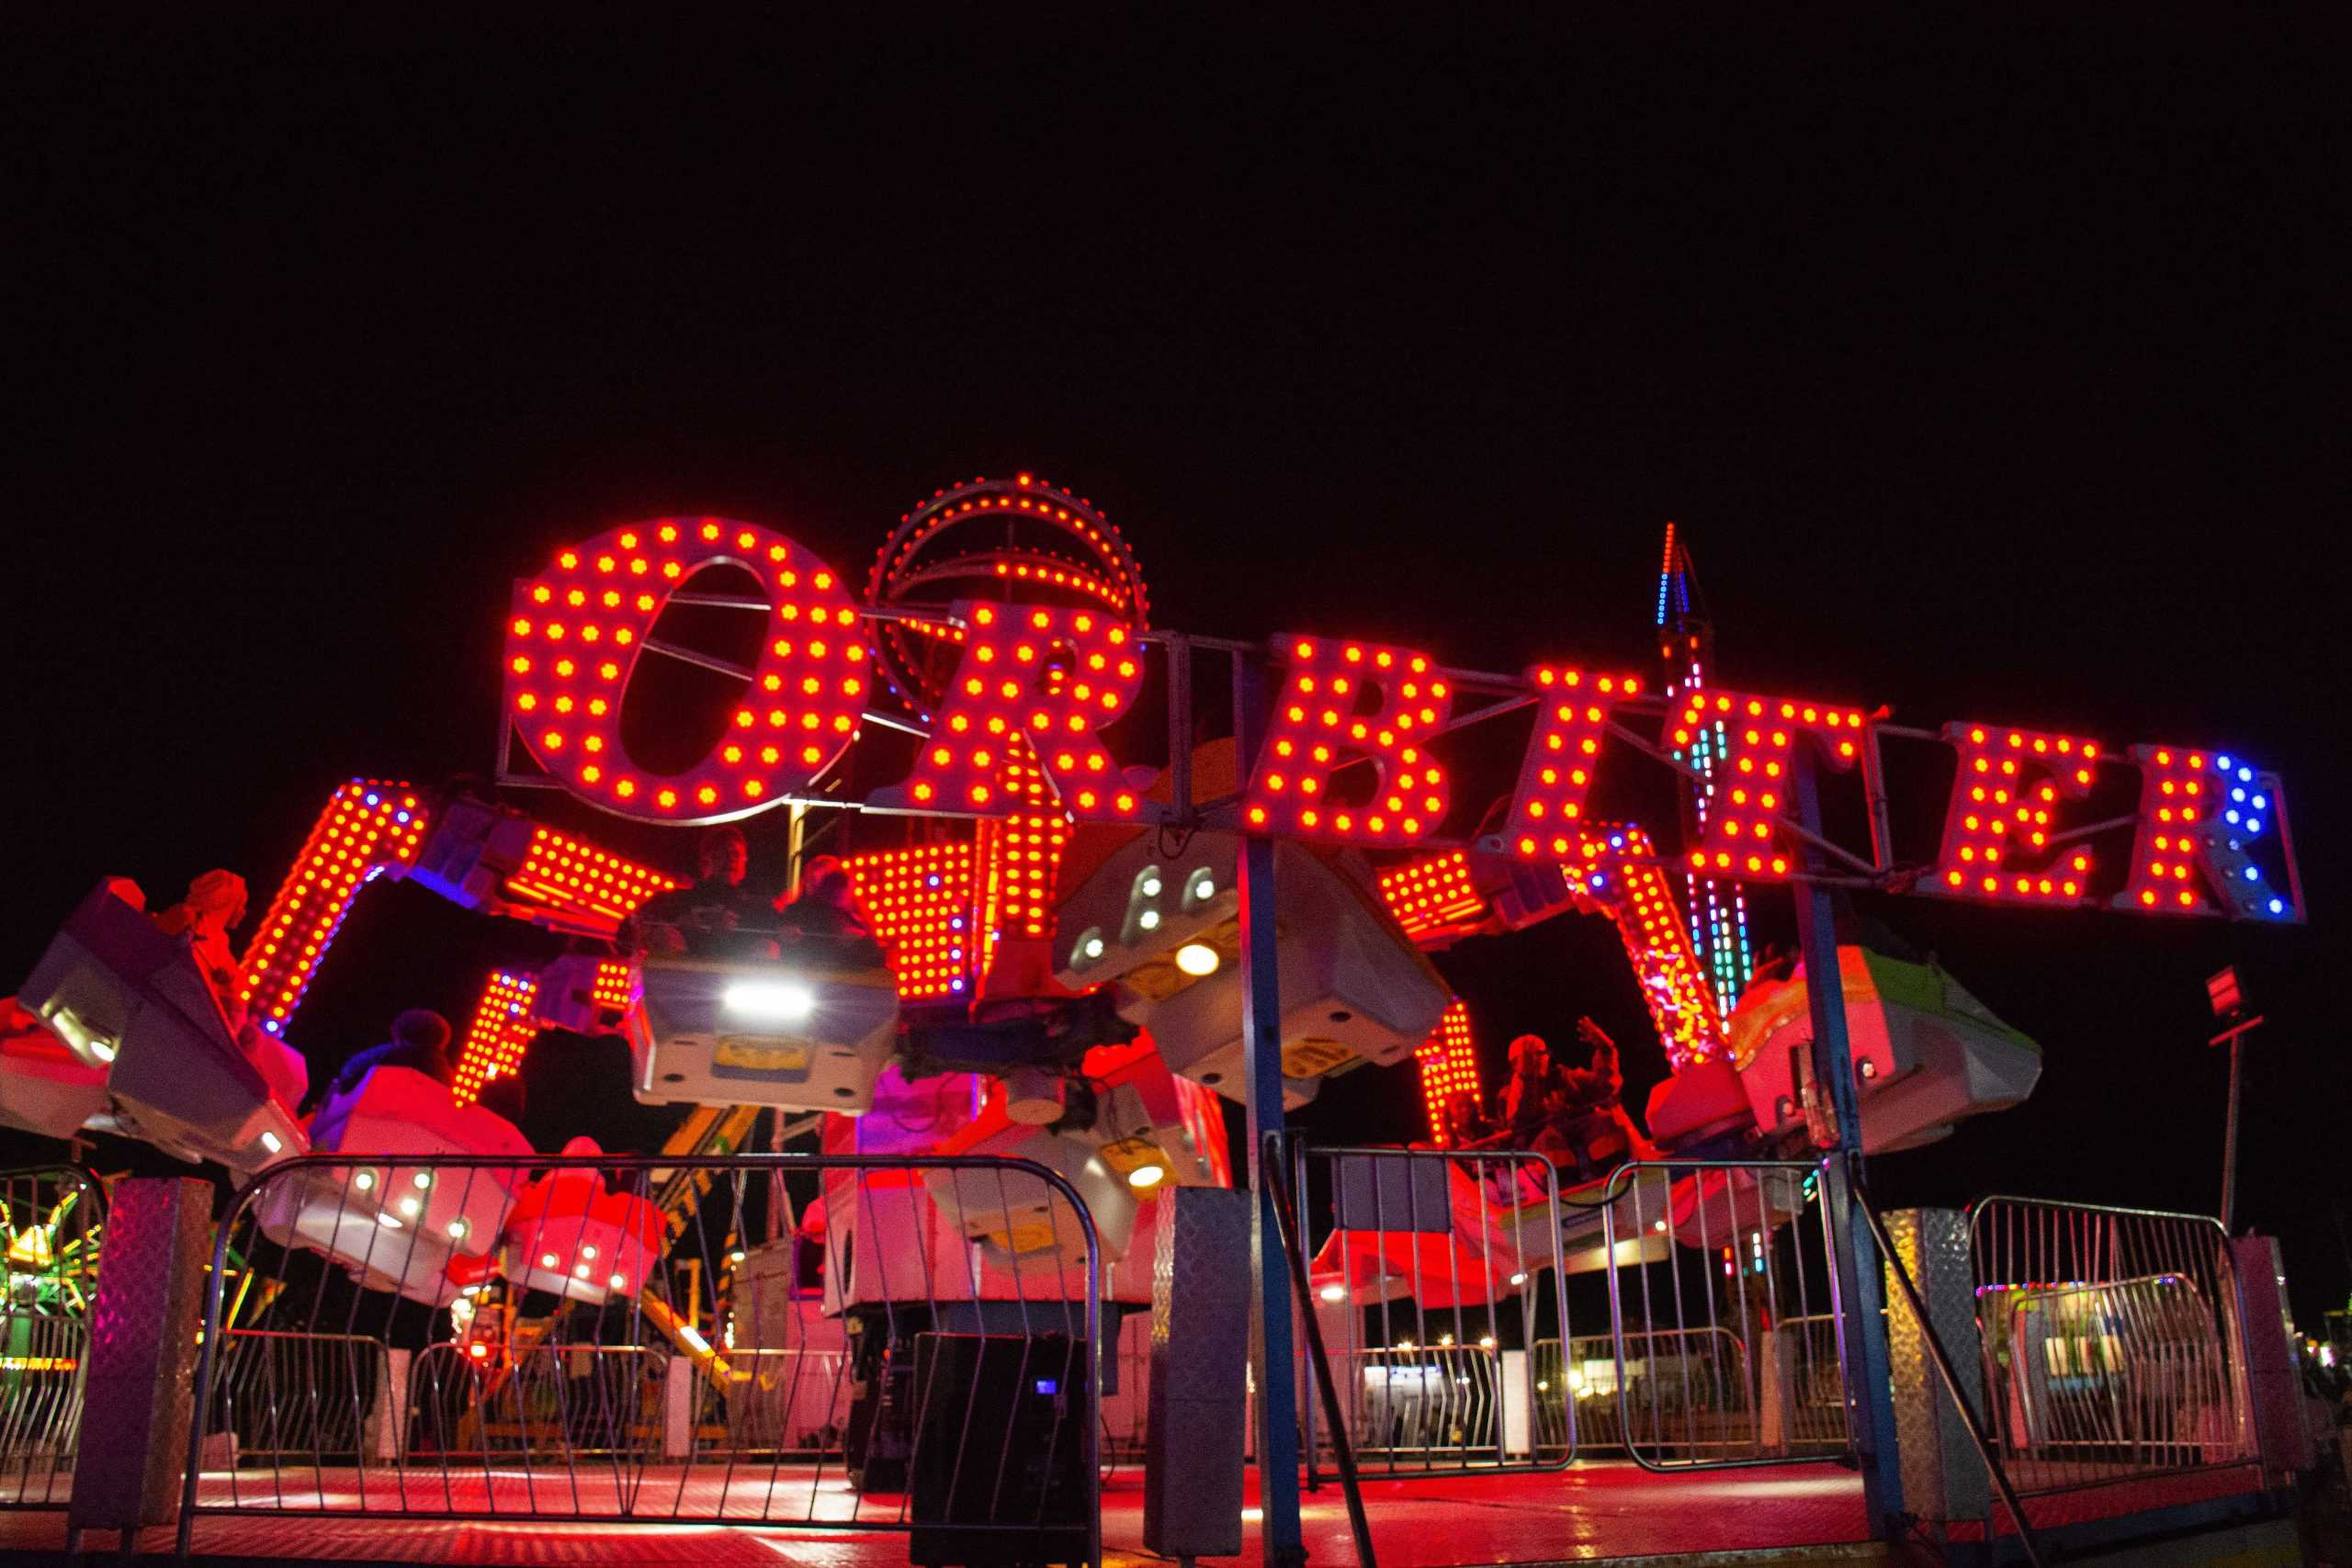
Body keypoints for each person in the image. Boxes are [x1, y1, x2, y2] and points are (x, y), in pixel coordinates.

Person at [619, 825, 775, 957]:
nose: (730, 859)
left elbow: (783, 935)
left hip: (741, 980)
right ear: (706, 861)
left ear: (744, 862)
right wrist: (661, 929)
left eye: (736, 854)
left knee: (768, 947)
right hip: (682, 979)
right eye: (722, 854)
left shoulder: (756, 906)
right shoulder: (677, 900)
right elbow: (628, 929)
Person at [152, 870, 250, 1028]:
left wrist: (229, 979)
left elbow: (237, 986)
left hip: (189, 1018)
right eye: (241, 905)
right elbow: (151, 945)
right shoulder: (186, 916)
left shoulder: (221, 942)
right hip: (161, 1000)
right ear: (228, 900)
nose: (243, 912)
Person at [323, 1009, 457, 1101]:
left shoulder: (378, 1057)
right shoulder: (448, 1079)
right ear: (442, 1040)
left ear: (400, 1032)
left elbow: (345, 1080)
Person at [774, 854, 884, 963]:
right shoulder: (803, 913)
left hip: (851, 973)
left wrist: (862, 941)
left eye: (830, 874)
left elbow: (874, 954)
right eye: (816, 878)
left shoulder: (858, 917)